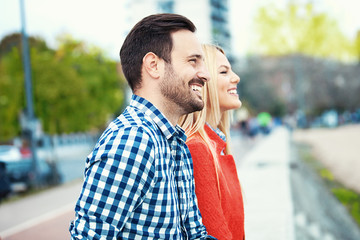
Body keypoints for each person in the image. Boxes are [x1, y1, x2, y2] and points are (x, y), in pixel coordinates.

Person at [69, 14, 216, 239]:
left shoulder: (175, 143)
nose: (204, 74)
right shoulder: (134, 140)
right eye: (193, 61)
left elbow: (194, 235)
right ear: (153, 66)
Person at [179, 44, 245, 239]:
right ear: (203, 81)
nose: (236, 77)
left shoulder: (215, 144)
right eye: (224, 72)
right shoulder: (198, 148)